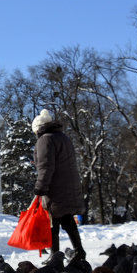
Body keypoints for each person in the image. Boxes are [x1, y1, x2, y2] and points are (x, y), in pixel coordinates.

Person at [32, 109, 86, 261]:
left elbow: (46, 166)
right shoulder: (63, 137)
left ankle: (55, 255)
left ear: (37, 129)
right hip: (69, 185)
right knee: (66, 218)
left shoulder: (45, 140)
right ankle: (79, 251)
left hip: (55, 188)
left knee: (52, 220)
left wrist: (40, 187)